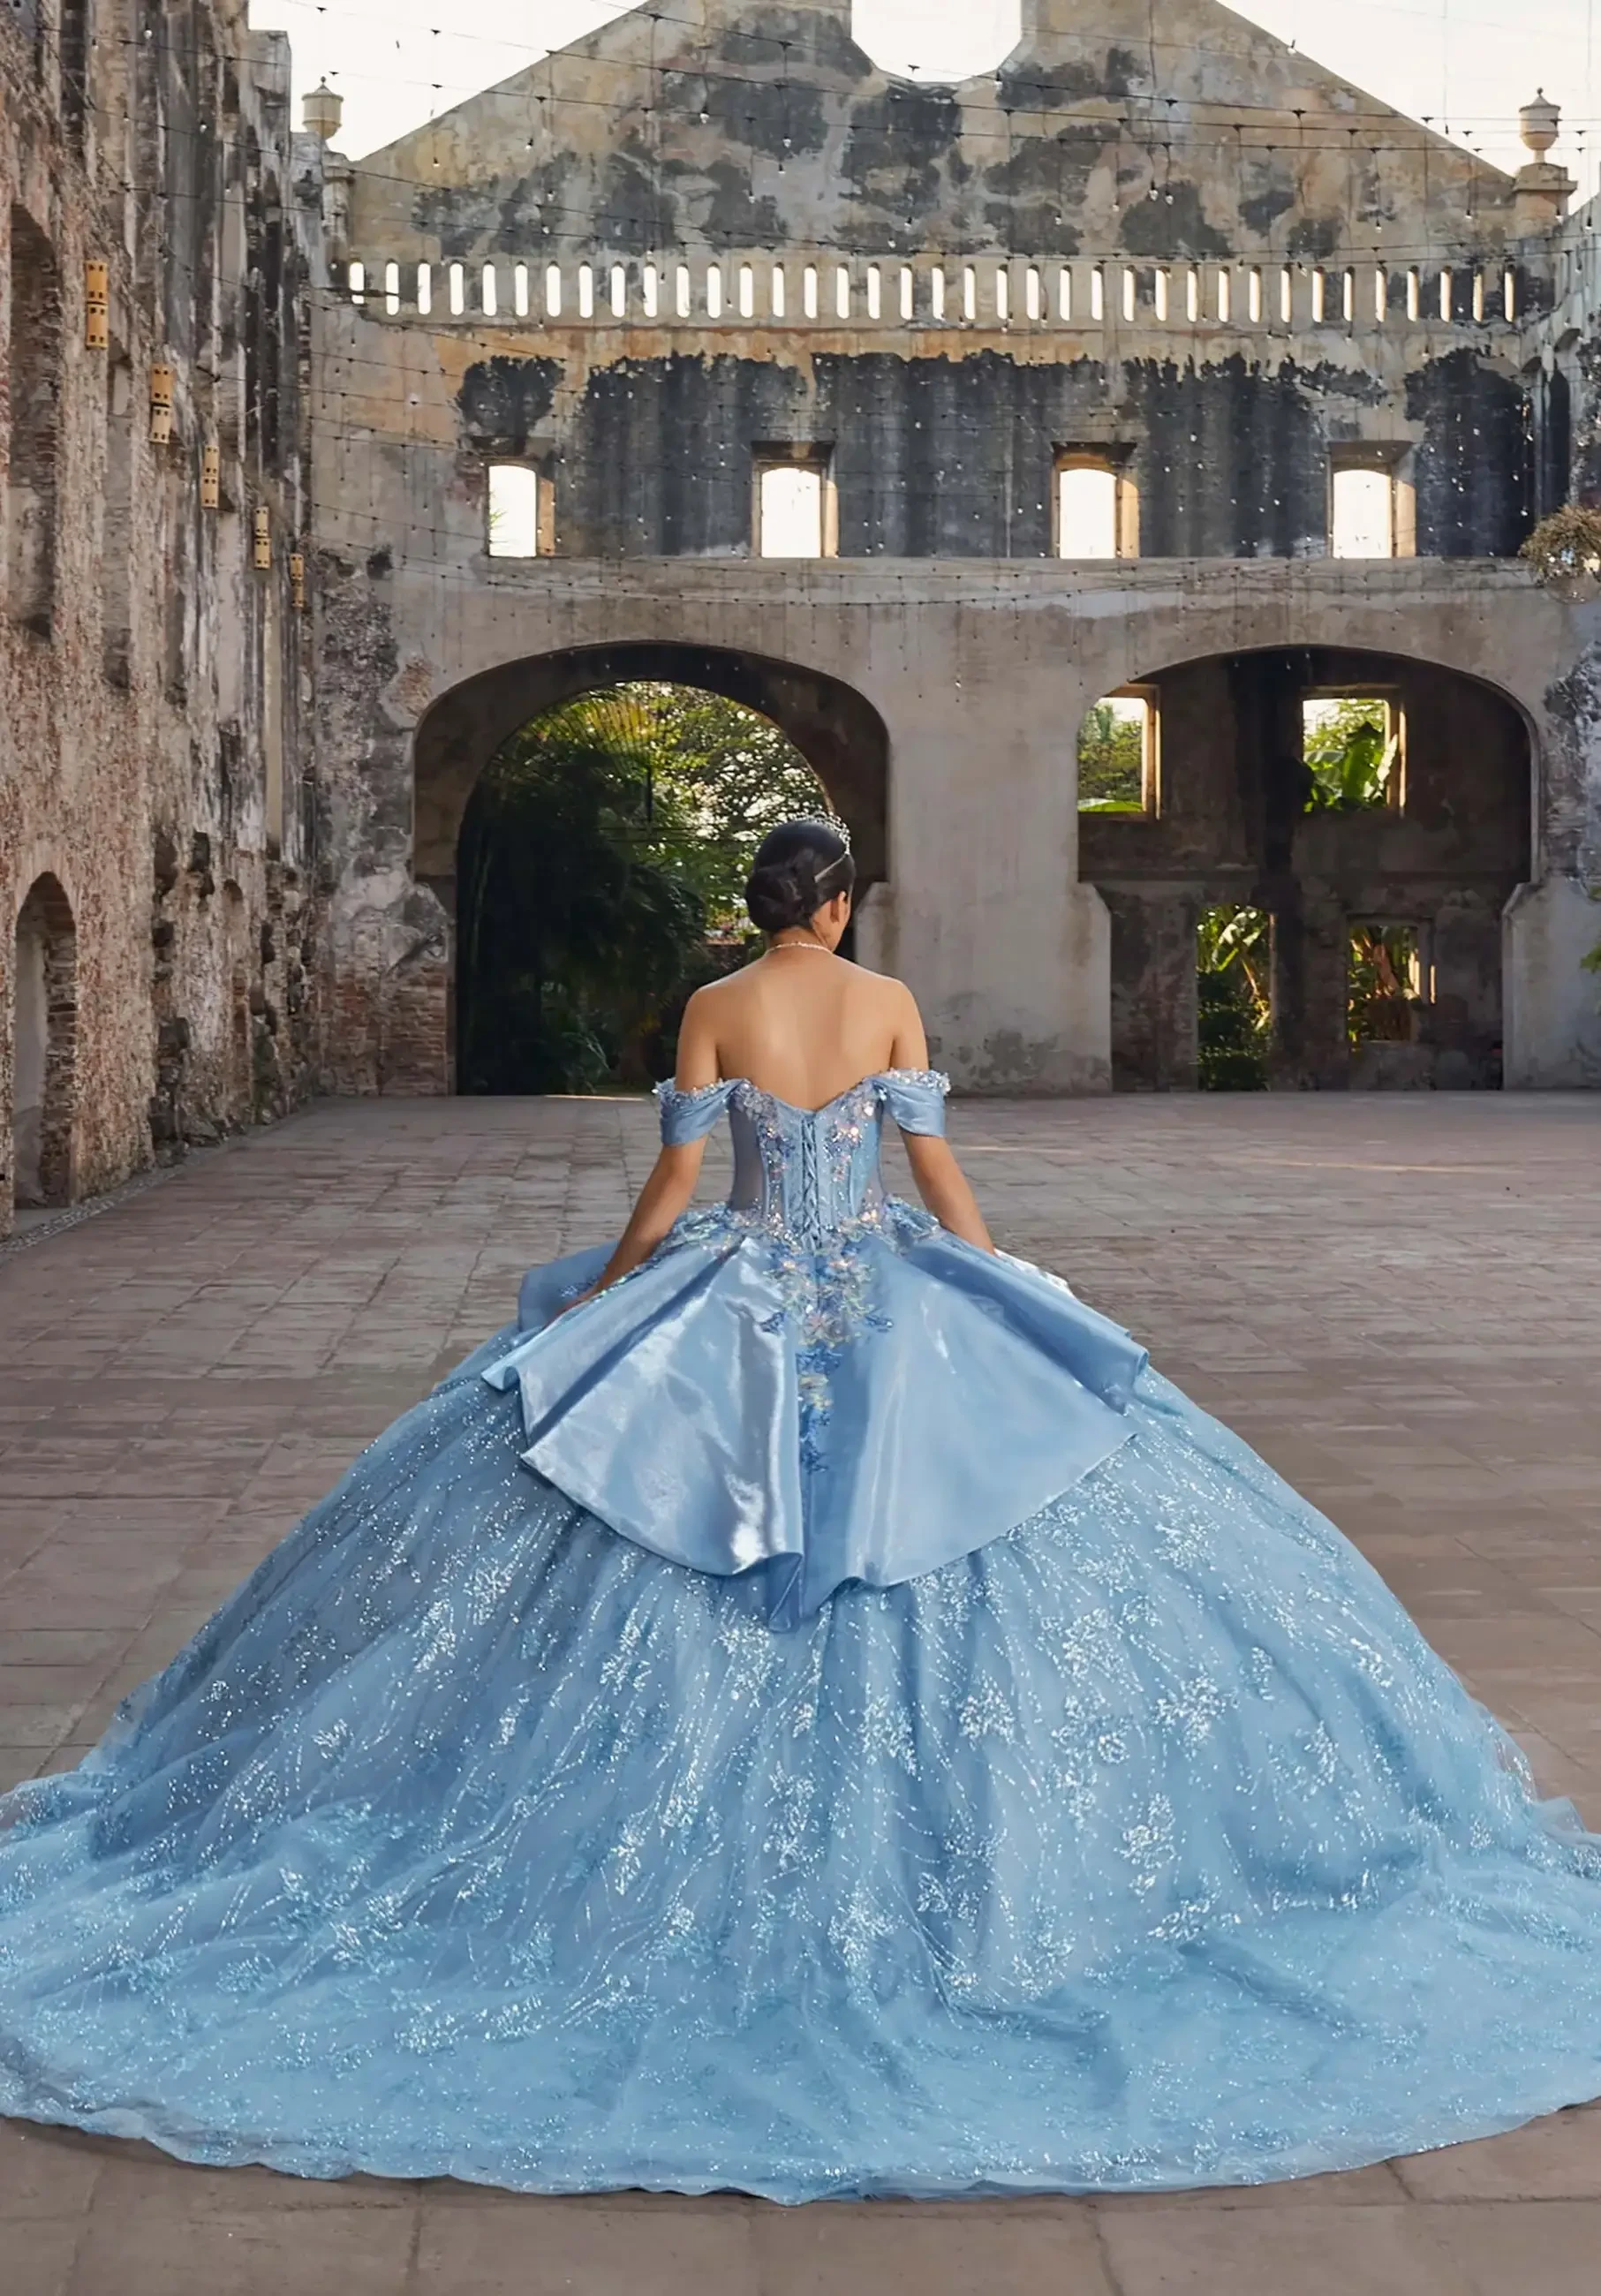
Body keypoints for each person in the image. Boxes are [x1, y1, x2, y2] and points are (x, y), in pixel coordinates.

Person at [3, 816, 1601, 2201]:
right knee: (984, 1505)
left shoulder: (711, 1006)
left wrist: (606, 1298)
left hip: (739, 1294)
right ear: (836, 907)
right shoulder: (890, 1001)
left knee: (602, 1482)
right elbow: (929, 1172)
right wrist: (986, 1275)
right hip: (880, 1294)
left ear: (760, 905)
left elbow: (680, 1187)